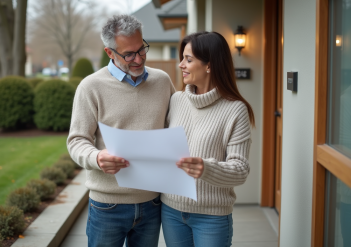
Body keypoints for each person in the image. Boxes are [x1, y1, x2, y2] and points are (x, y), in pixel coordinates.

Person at [67, 14, 175, 247]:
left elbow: (177, 128)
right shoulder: (90, 87)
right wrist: (96, 157)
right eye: (128, 54)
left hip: (153, 202)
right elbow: (76, 141)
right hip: (108, 206)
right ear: (109, 52)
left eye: (142, 49)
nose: (138, 59)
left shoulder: (163, 81)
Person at [161, 31, 255, 247]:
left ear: (209, 65)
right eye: (182, 58)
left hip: (211, 216)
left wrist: (206, 168)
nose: (181, 65)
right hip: (171, 211)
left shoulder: (235, 110)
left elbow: (240, 170)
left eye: (189, 59)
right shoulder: (176, 100)